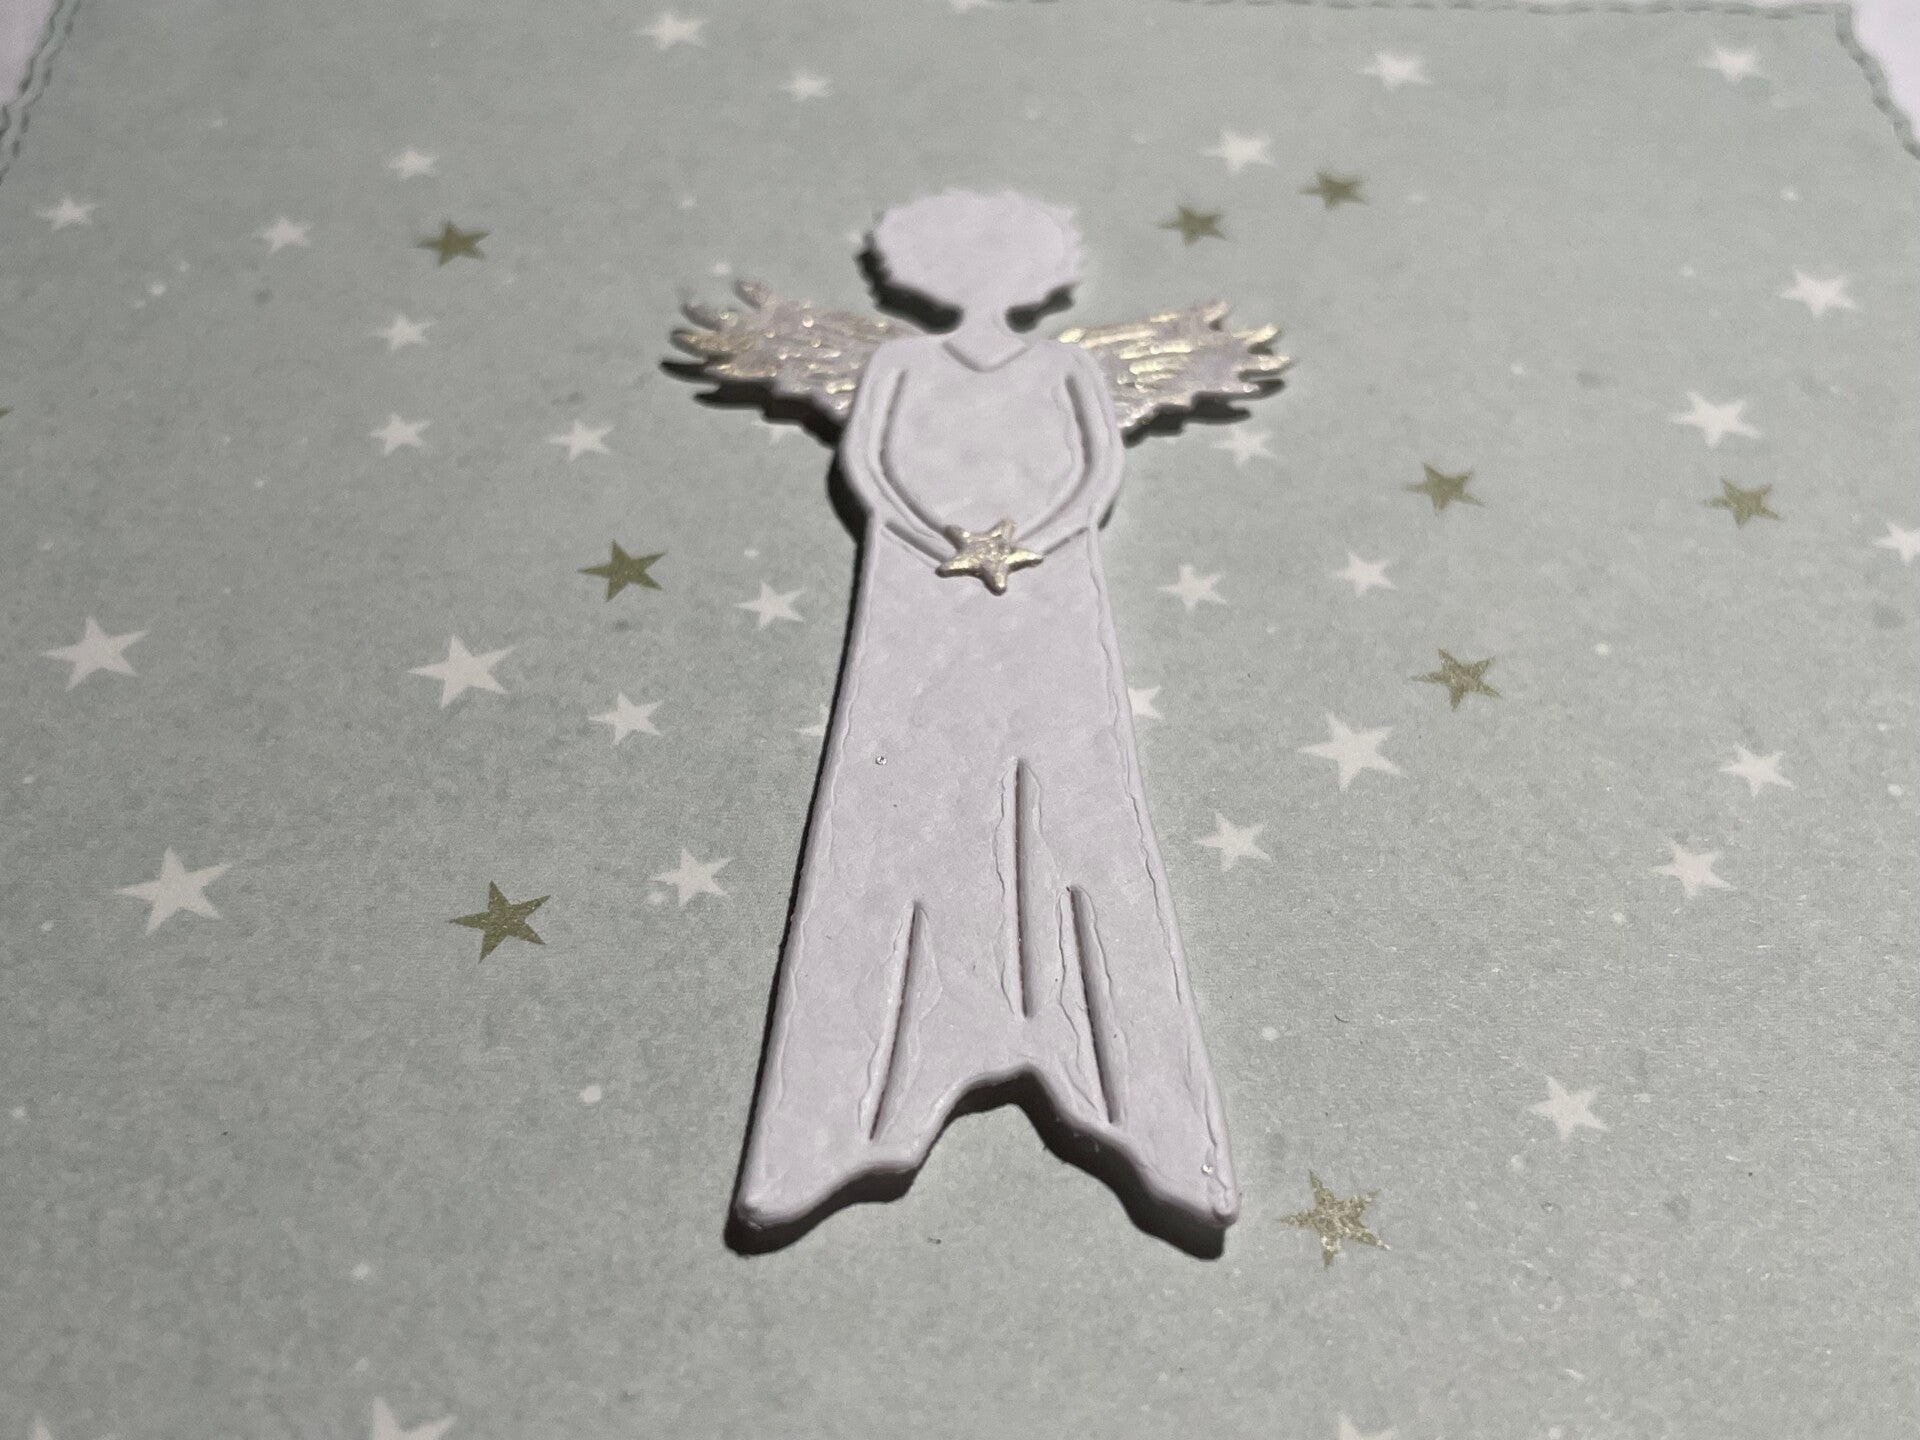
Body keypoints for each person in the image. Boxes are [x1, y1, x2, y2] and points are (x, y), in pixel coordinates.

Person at [734, 191, 1238, 1239]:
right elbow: (872, 464)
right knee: (908, 776)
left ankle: (1122, 1084)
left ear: (1041, 273)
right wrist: (944, 537)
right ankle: (858, 1105)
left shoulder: (1064, 367)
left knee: (1068, 781)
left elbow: (1094, 469)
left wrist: (1027, 539)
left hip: (1044, 588)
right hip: (922, 589)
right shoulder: (901, 364)